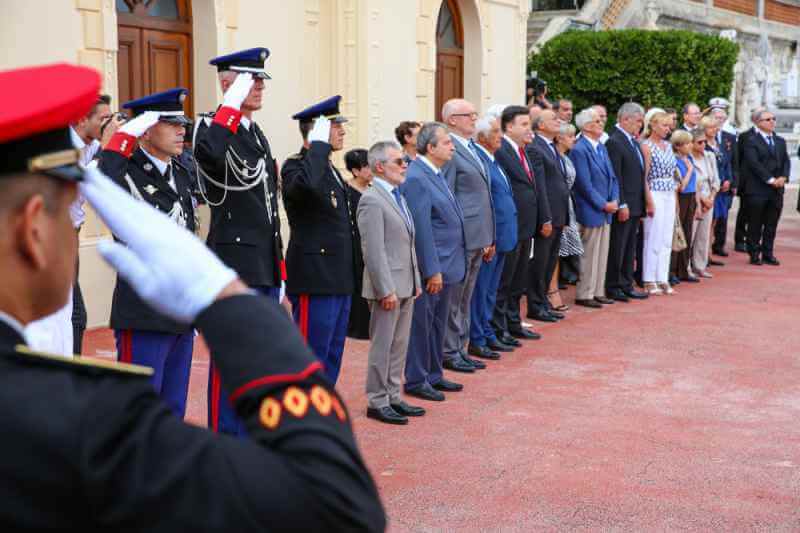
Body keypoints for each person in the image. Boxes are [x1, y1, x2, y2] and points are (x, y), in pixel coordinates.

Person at [0, 62, 385, 531]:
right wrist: (231, 306)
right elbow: (338, 506)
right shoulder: (78, 420)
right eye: (71, 212)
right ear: (32, 228)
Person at [193, 48, 284, 435]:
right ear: (228, 84)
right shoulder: (211, 127)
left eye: (262, 79)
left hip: (261, 261)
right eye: (252, 79)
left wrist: (279, 270)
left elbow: (268, 208)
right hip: (234, 261)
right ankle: (226, 440)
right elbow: (210, 156)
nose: (261, 86)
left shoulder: (254, 132)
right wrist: (228, 105)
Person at [98, 88, 196, 419]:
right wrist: (123, 136)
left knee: (172, 409)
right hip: (143, 311)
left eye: (182, 123)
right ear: (147, 128)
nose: (182, 130)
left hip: (180, 310)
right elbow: (99, 182)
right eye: (170, 123)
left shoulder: (181, 171)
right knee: (138, 410)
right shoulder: (124, 170)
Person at [282, 96, 357, 384]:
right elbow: (308, 188)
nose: (342, 132)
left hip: (338, 277)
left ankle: (320, 414)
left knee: (331, 355)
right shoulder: (297, 167)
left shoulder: (329, 168)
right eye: (335, 127)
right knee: (309, 357)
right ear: (316, 131)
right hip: (315, 278)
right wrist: (317, 147)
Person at [357, 141, 424, 425]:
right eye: (399, 161)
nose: (405, 165)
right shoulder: (371, 199)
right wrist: (385, 289)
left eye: (405, 160)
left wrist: (416, 279)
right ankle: (377, 400)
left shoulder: (397, 195)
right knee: (382, 346)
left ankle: (394, 395)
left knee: (399, 345)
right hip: (388, 287)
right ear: (380, 166)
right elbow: (373, 250)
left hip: (406, 282)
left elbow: (407, 243)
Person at [401, 122, 466, 401]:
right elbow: (422, 229)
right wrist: (432, 270)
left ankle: (434, 373)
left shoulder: (436, 173)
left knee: (438, 323)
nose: (452, 146)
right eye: (447, 142)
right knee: (422, 324)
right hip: (434, 266)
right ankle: (416, 378)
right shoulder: (416, 177)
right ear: (430, 147)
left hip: (448, 262)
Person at [441, 99, 496, 370]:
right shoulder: (450, 150)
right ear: (452, 120)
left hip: (479, 233)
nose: (474, 119)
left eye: (475, 114)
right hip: (462, 235)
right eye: (468, 115)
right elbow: (448, 196)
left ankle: (460, 347)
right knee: (455, 297)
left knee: (466, 296)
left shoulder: (471, 147)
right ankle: (450, 351)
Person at [492, 105, 546, 343]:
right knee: (505, 280)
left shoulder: (524, 151)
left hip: (526, 225)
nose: (528, 129)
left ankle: (513, 322)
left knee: (518, 279)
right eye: (523, 124)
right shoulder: (502, 151)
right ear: (508, 127)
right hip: (511, 226)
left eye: (529, 124)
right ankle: (498, 327)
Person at [470, 115, 518, 354]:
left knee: (490, 290)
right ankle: (477, 337)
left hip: (502, 236)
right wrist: (489, 237)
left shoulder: (493, 159)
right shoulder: (480, 159)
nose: (500, 136)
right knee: (481, 291)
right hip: (491, 237)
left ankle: (487, 331)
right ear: (482, 138)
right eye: (496, 132)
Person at [570, 107, 619, 308]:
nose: (602, 124)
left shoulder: (601, 147)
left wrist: (614, 199)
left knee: (602, 251)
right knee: (589, 253)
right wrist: (603, 204)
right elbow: (583, 183)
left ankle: (598, 290)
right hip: (591, 209)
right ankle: (585, 293)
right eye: (598, 121)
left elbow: (612, 176)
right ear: (588, 126)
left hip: (607, 209)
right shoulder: (580, 149)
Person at [605, 102, 651, 302]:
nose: (640, 125)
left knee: (629, 246)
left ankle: (625, 282)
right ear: (624, 119)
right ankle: (614, 285)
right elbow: (616, 176)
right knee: (618, 246)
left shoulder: (631, 141)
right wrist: (621, 203)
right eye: (638, 121)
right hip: (625, 204)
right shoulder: (615, 141)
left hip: (635, 202)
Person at [526, 109, 566, 322]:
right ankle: (535, 305)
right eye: (553, 119)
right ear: (540, 125)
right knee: (540, 263)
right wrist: (546, 218)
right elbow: (540, 186)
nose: (558, 121)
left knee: (550, 262)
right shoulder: (536, 148)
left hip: (559, 214)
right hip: (547, 216)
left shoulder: (551, 147)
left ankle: (543, 302)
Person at [741, 108, 790, 265]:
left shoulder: (780, 141)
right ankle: (754, 253)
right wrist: (770, 179)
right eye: (767, 120)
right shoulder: (751, 141)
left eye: (773, 119)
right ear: (758, 122)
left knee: (771, 223)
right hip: (757, 189)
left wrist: (783, 177)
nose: (772, 122)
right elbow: (754, 164)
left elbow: (786, 161)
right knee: (755, 223)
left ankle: (768, 253)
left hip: (776, 190)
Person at [640, 111, 678, 295]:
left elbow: (673, 174)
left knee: (665, 237)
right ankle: (648, 278)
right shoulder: (646, 146)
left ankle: (662, 276)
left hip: (669, 192)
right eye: (664, 125)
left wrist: (675, 201)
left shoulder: (668, 146)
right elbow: (644, 177)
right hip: (654, 191)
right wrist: (649, 201)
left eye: (669, 126)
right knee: (652, 236)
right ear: (653, 125)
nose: (667, 129)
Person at [551, 123, 583, 311]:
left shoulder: (566, 157)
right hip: (558, 208)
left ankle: (552, 290)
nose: (574, 140)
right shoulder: (555, 156)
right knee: (553, 254)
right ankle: (551, 292)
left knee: (558, 253)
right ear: (560, 137)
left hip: (567, 207)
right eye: (570, 136)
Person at [344, 148, 372, 341]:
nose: (371, 169)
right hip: (354, 244)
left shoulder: (372, 189)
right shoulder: (347, 191)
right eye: (366, 166)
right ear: (355, 171)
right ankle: (357, 327)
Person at [689, 127, 720, 278]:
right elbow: (692, 182)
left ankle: (700, 265)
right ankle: (686, 266)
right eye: (700, 142)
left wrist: (711, 198)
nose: (703, 145)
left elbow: (716, 180)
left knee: (704, 234)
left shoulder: (709, 156)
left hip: (709, 198)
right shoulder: (688, 158)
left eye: (705, 142)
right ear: (692, 143)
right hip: (695, 199)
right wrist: (703, 200)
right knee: (691, 234)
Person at [670, 129, 700, 284]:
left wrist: (698, 203)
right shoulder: (675, 160)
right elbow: (681, 186)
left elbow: (695, 183)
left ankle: (684, 269)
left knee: (688, 233)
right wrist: (689, 170)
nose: (690, 146)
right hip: (680, 198)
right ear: (678, 146)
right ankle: (672, 270)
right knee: (677, 233)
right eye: (687, 143)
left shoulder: (689, 158)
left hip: (691, 197)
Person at [708, 107, 737, 258]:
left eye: (723, 119)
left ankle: (718, 245)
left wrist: (732, 182)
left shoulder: (728, 137)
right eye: (717, 118)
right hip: (711, 185)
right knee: (709, 221)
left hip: (725, 184)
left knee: (722, 217)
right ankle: (705, 252)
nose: (720, 121)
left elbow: (732, 162)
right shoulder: (704, 138)